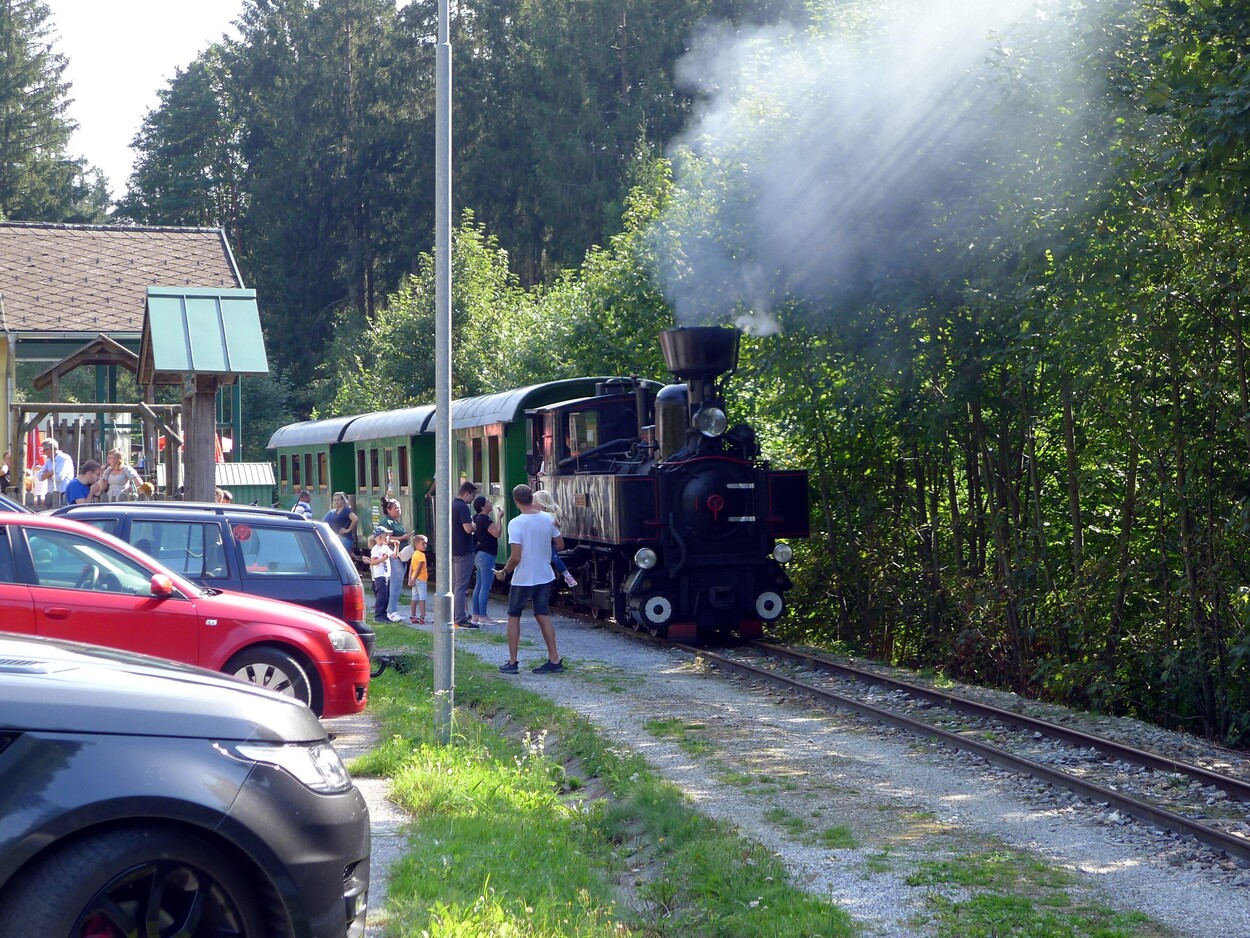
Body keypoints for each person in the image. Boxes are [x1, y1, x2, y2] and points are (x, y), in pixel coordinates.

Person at [494, 483, 564, 674]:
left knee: (513, 616)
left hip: (524, 577)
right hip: (545, 574)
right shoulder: (549, 519)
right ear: (532, 498)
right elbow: (560, 544)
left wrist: (503, 572)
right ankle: (554, 659)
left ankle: (513, 662)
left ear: (516, 501)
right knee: (542, 615)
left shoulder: (516, 523)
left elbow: (516, 557)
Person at [532, 489, 578, 588]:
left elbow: (557, 526)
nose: (532, 503)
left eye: (534, 501)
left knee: (555, 557)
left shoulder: (550, 514)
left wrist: (557, 524)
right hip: (542, 539)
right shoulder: (535, 514)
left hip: (548, 540)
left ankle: (567, 575)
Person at [378, 497, 411, 622]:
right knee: (395, 584)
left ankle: (392, 610)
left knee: (398, 583)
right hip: (393, 555)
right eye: (396, 508)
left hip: (401, 555)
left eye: (399, 508)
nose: (399, 510)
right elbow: (385, 539)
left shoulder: (395, 522)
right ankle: (391, 611)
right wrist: (403, 538)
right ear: (389, 509)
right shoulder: (387, 522)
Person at [451, 480, 479, 628]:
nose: (473, 499)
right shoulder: (462, 507)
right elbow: (468, 529)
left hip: (453, 550)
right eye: (473, 495)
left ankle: (454, 614)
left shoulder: (452, 505)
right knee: (461, 586)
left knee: (455, 585)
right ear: (466, 493)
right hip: (463, 551)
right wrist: (475, 525)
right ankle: (460, 617)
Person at [471, 495, 502, 626]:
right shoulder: (484, 519)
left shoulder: (476, 518)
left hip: (478, 554)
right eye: (488, 502)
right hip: (487, 555)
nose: (490, 503)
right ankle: (483, 616)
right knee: (485, 586)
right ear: (483, 507)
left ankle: (476, 615)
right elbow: (497, 533)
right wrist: (499, 518)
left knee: (479, 585)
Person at [367, 525, 395, 623]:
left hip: (387, 574)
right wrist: (383, 558)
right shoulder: (376, 549)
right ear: (380, 537)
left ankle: (384, 615)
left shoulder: (385, 547)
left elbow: (394, 555)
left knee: (387, 596)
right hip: (380, 575)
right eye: (386, 535)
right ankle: (378, 616)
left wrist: (397, 546)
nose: (388, 537)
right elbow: (373, 562)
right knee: (381, 596)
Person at [39, 439, 74, 507]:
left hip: (64, 494)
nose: (43, 453)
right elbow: (40, 477)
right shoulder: (48, 461)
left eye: (44, 450)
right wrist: (51, 472)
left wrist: (46, 474)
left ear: (52, 449)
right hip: (52, 494)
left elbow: (58, 478)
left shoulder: (64, 458)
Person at [407, 534, 429, 624]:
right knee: (422, 598)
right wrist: (414, 578)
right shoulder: (421, 555)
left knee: (414, 598)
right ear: (416, 545)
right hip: (421, 579)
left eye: (426, 543)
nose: (425, 545)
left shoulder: (414, 554)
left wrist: (410, 579)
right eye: (423, 543)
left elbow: (411, 567)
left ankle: (413, 616)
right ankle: (422, 617)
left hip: (414, 579)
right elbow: (419, 568)